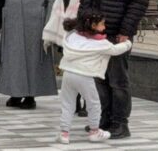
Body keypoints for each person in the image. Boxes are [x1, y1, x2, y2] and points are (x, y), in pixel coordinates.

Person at [79, 0, 150, 140]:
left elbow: (139, 1)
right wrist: (82, 27)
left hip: (117, 34)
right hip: (94, 35)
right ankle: (104, 119)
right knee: (98, 79)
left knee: (117, 81)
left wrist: (126, 30)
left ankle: (121, 123)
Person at [55, 10, 132, 144]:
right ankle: (94, 131)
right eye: (102, 24)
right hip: (85, 77)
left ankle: (64, 133)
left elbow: (71, 32)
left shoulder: (71, 36)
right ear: (93, 26)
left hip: (68, 74)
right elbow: (115, 50)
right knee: (94, 104)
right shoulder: (101, 44)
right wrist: (128, 43)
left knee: (68, 104)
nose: (104, 27)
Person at [0, 0, 59, 108]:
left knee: (33, 60)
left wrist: (48, 22)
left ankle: (31, 96)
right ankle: (16, 93)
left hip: (36, 24)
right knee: (14, 60)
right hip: (12, 24)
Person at [43, 0, 95, 118]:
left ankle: (88, 103)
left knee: (85, 70)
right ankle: (75, 103)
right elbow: (59, 6)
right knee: (71, 70)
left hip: (84, 33)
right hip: (68, 33)